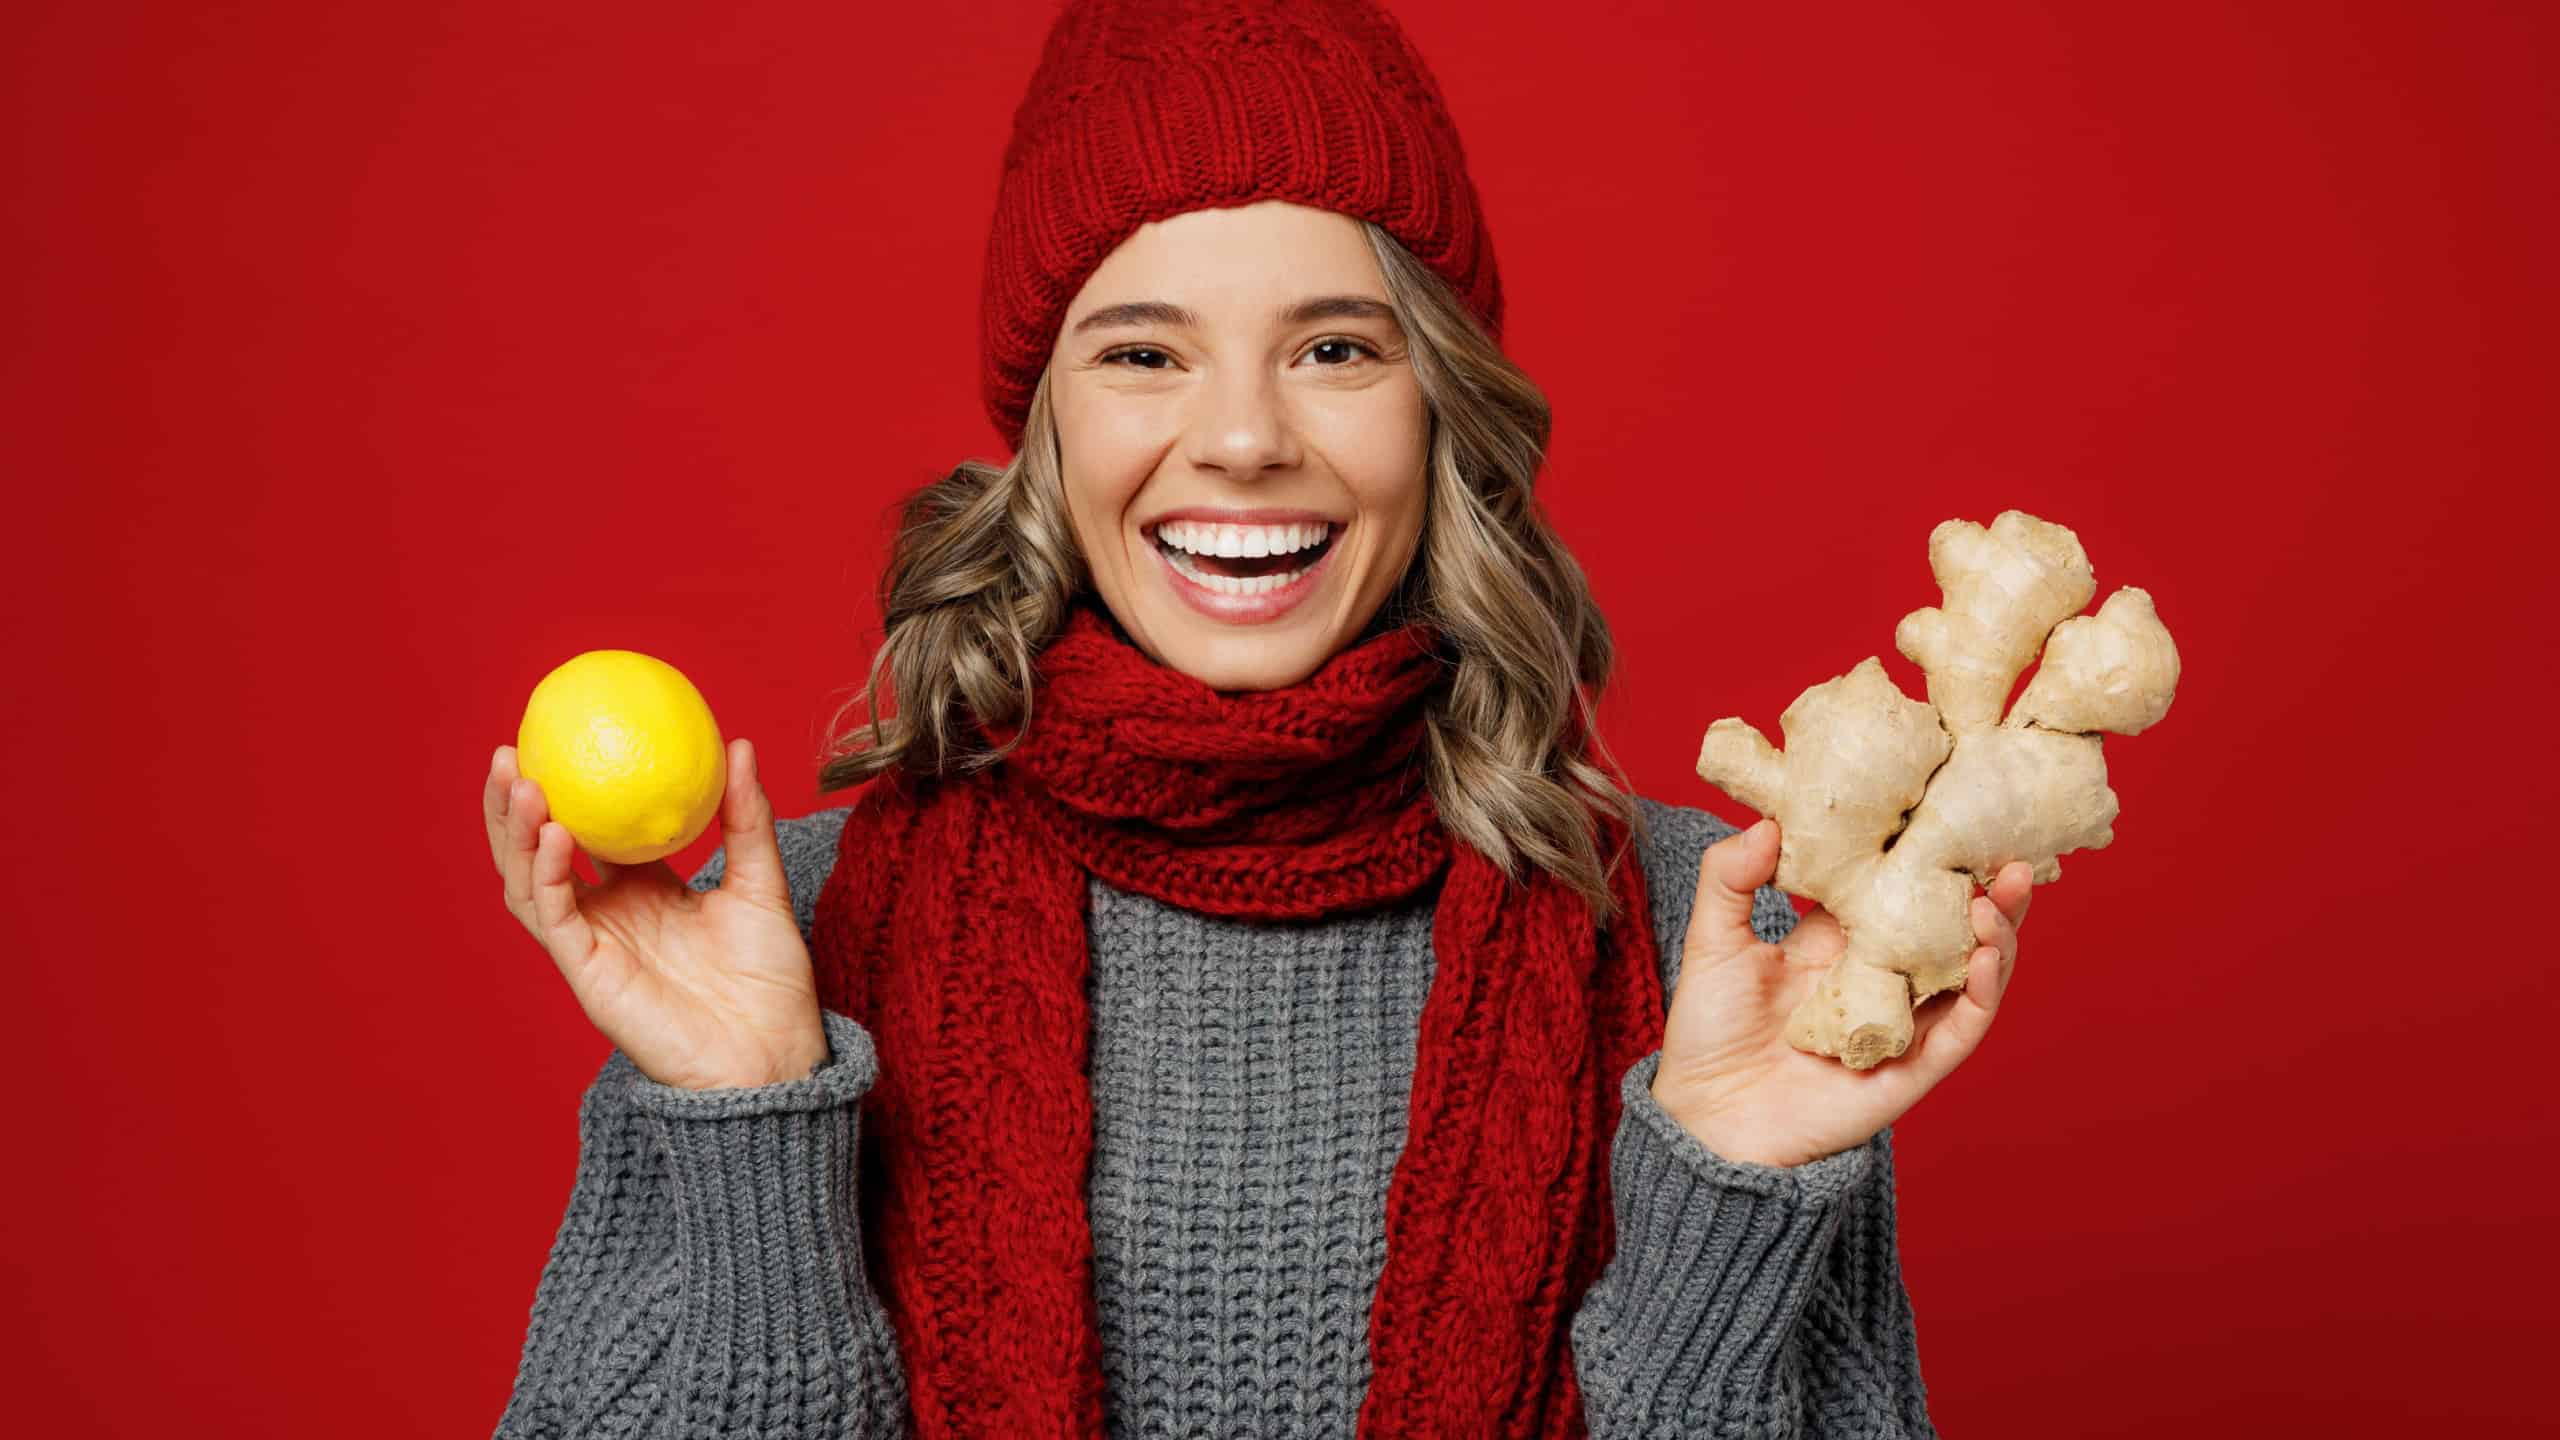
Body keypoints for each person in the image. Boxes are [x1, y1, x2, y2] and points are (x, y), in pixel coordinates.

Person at [479, 1, 2030, 1435]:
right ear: (1047, 426)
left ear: (1442, 407)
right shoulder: (780, 954)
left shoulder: (1732, 954)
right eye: (1143, 353)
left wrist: (1725, 1206)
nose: (1238, 438)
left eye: (1337, 350)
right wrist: (755, 1127)